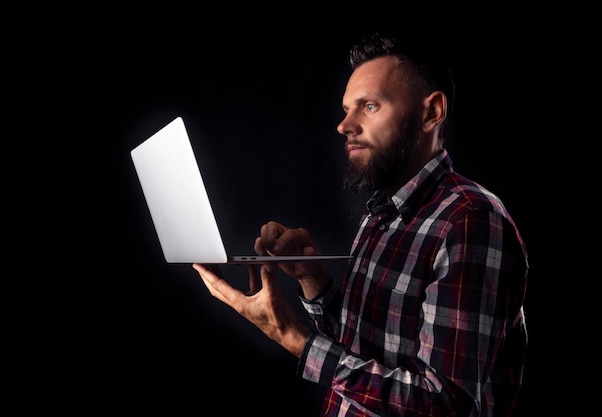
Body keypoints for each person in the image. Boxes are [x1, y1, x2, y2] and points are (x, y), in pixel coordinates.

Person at [192, 32, 528, 417]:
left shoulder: (469, 222)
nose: (344, 125)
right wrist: (313, 282)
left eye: (369, 106)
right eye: (347, 108)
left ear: (431, 112)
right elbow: (366, 347)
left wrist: (295, 339)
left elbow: (441, 404)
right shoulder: (381, 210)